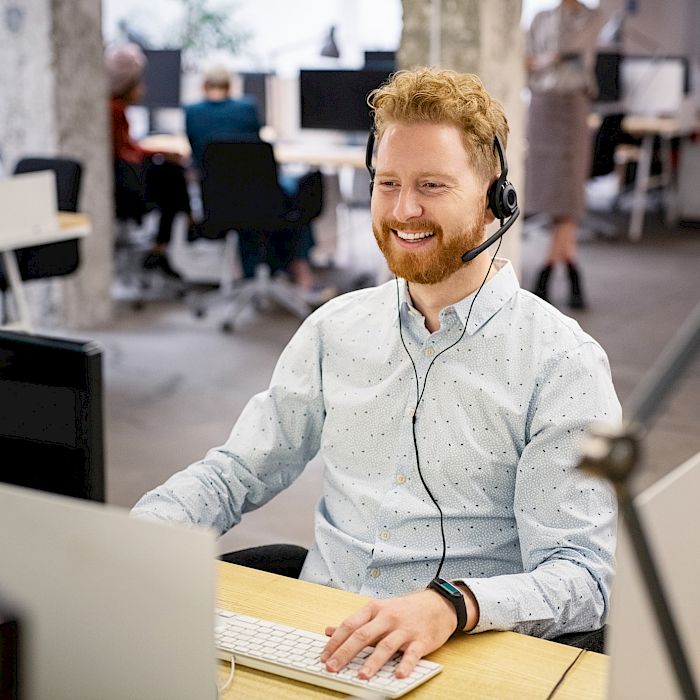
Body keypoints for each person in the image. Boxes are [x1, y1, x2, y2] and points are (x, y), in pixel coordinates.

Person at [132, 68, 620, 680]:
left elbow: (584, 576)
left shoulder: (560, 363)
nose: (403, 210)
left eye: (432, 185)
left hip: (463, 656)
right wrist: (137, 537)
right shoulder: (334, 328)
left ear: (494, 194)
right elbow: (238, 470)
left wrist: (455, 605)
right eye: (386, 183)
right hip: (320, 640)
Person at [185, 65, 330, 302]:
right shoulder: (247, 107)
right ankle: (299, 270)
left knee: (248, 206)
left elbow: (196, 155)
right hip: (262, 200)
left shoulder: (191, 112)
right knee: (293, 196)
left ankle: (254, 273)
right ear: (230, 86)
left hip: (218, 204)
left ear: (204, 86)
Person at [525, 0, 606, 308]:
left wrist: (547, 58)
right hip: (542, 106)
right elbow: (528, 61)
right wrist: (551, 59)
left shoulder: (590, 17)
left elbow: (569, 48)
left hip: (573, 106)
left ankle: (546, 269)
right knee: (549, 193)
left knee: (569, 193)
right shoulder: (540, 17)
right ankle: (570, 264)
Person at [106, 43, 192, 278]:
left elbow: (128, 147)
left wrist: (157, 151)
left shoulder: (116, 109)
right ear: (127, 83)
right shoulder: (113, 110)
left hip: (126, 181)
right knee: (173, 174)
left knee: (171, 171)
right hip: (127, 189)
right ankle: (183, 228)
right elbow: (125, 153)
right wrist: (159, 153)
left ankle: (175, 234)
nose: (143, 88)